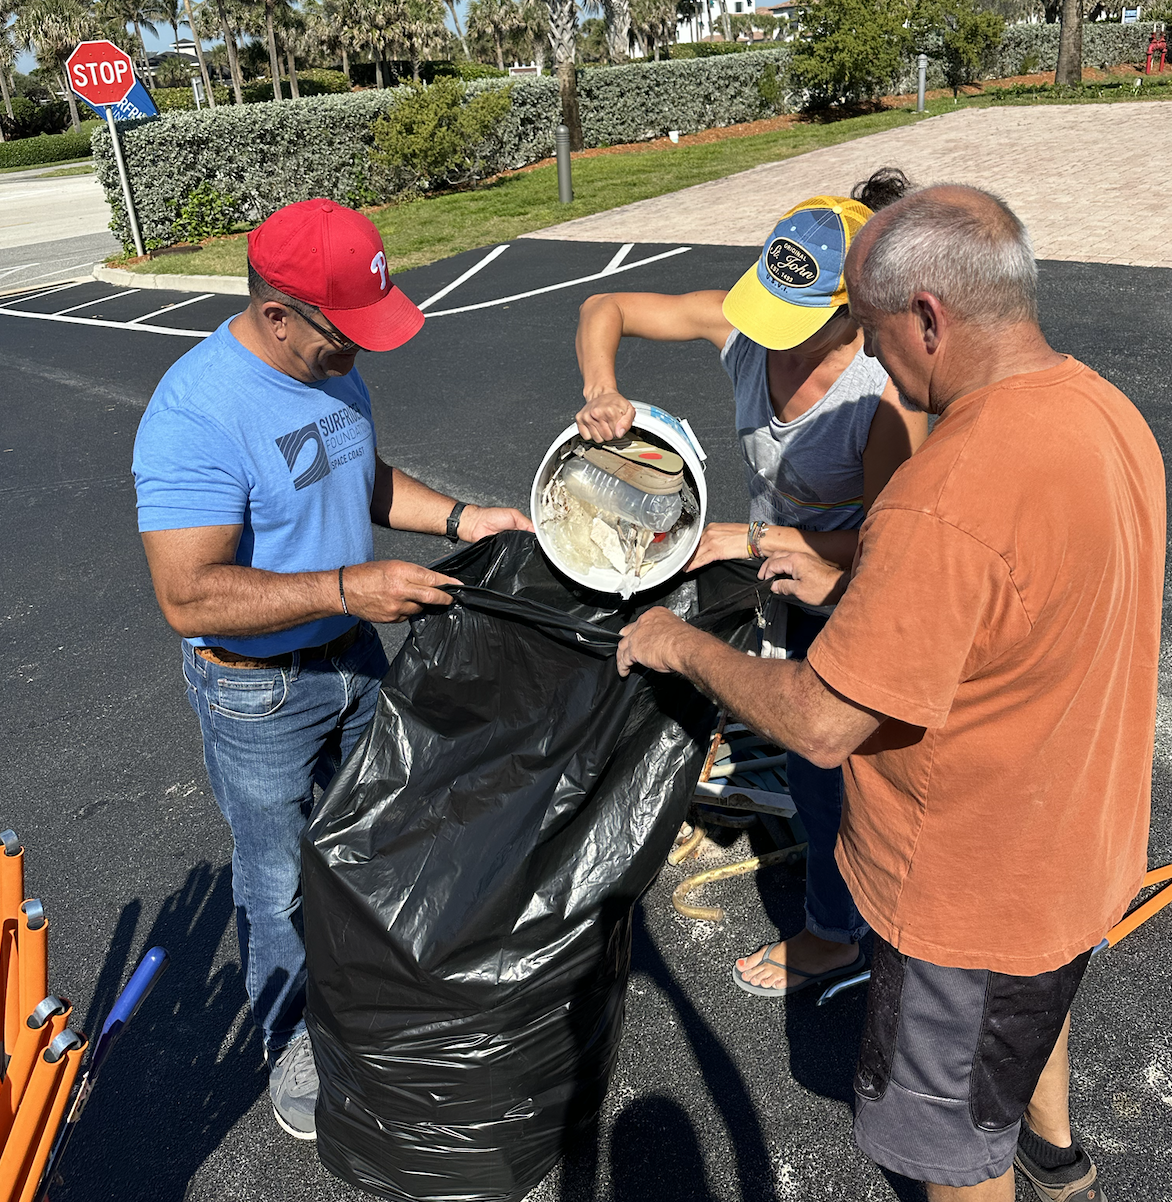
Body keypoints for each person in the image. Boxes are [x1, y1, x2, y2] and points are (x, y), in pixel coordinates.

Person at [615, 185, 1164, 1202]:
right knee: (1031, 1002)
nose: (869, 359)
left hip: (967, 892)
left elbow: (822, 721)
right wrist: (861, 584)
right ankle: (1055, 1150)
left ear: (926, 316)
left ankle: (1014, 1164)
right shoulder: (1102, 408)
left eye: (868, 329)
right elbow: (1015, 611)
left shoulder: (946, 485)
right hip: (1077, 843)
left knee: (950, 1154)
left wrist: (680, 644)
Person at [132, 199, 532, 1142]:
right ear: (278, 315)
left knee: (376, 836)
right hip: (258, 688)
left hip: (352, 652)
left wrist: (462, 519)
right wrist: (351, 585)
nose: (362, 352)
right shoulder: (196, 412)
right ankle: (291, 1039)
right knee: (278, 882)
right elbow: (188, 597)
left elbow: (360, 472)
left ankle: (369, 999)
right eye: (344, 333)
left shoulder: (329, 371)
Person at [574, 168, 928, 997]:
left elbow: (891, 546)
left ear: (856, 311)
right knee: (776, 712)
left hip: (839, 585)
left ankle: (837, 936)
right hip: (771, 562)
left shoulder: (880, 400)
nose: (770, 338)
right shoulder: (744, 334)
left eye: (797, 325)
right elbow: (607, 308)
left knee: (826, 763)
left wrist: (753, 535)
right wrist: (602, 388)